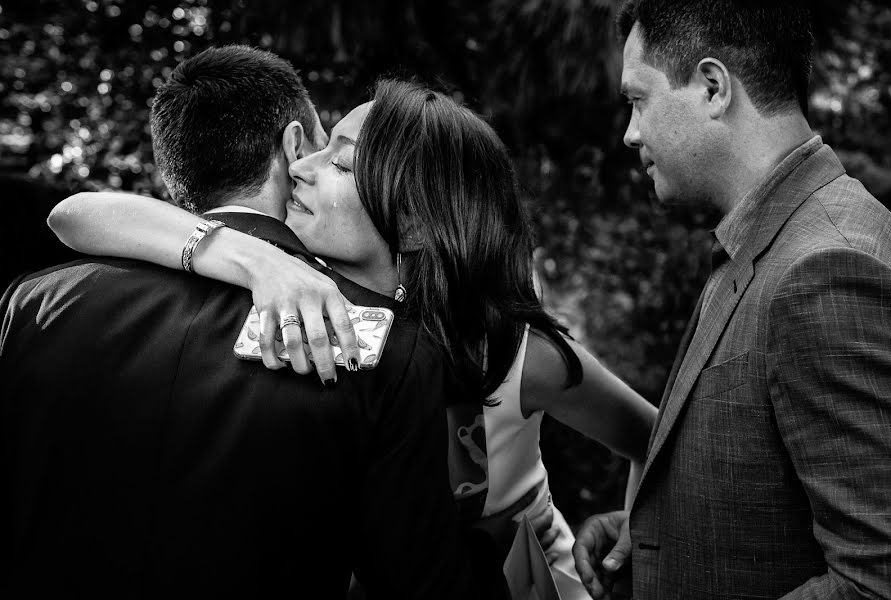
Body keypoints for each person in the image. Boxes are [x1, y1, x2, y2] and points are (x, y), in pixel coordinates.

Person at [48, 79, 658, 597]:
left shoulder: (516, 352)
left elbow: (655, 436)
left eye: (340, 162)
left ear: (416, 217)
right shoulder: (299, 300)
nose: (298, 168)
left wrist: (637, 533)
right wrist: (241, 255)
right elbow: (75, 215)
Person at [0, 45, 511, 599]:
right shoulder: (381, 350)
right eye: (321, 149)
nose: (302, 169)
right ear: (291, 141)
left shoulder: (37, 300)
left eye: (340, 163)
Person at [573, 1, 891, 598]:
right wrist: (651, 541)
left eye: (638, 100)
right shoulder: (765, 238)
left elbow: (878, 580)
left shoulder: (825, 268)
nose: (630, 132)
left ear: (713, 87)